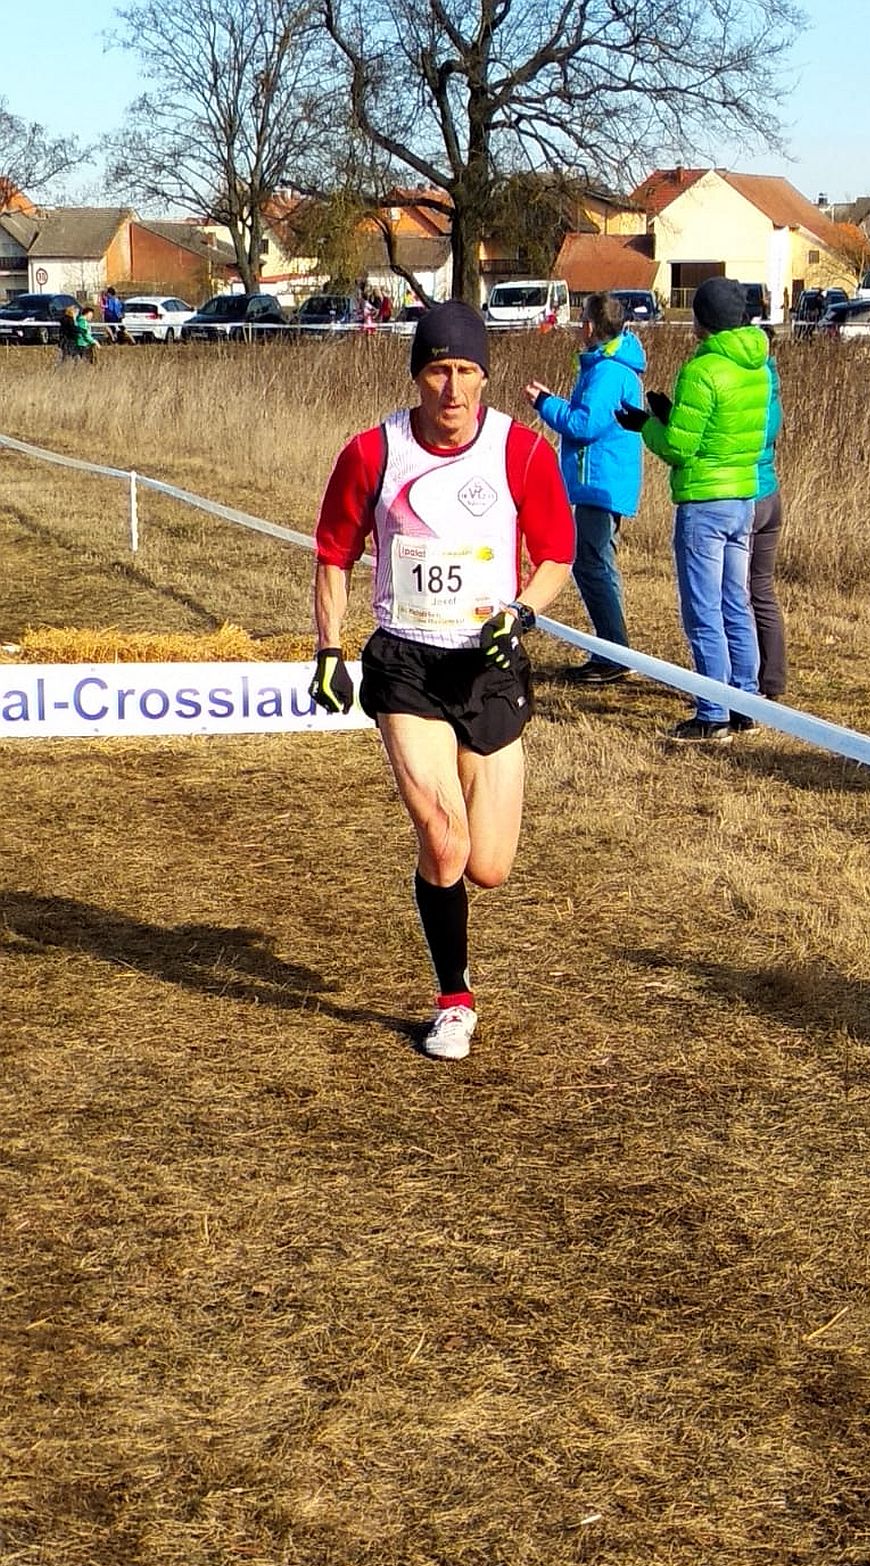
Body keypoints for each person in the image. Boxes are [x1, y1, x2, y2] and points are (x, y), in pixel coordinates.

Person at [310, 299, 574, 1059]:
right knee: (444, 840)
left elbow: (557, 554)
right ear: (416, 375)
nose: (451, 389)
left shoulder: (521, 452)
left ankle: (450, 851)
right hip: (407, 664)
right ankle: (454, 999)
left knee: (487, 866)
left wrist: (521, 613)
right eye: (436, 371)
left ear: (485, 376)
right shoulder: (373, 452)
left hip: (488, 666)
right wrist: (328, 650)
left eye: (465, 371)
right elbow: (333, 554)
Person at [615, 276, 769, 744]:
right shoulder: (757, 366)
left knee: (703, 610)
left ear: (703, 319)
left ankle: (712, 711)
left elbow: (679, 447)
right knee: (735, 602)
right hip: (742, 497)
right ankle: (746, 701)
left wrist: (646, 425)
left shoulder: (702, 370)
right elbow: (725, 430)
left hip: (703, 502)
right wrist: (670, 414)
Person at [524, 290, 645, 684]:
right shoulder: (607, 367)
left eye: (582, 320)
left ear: (591, 327)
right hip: (600, 480)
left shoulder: (609, 372)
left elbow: (583, 424)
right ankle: (611, 649)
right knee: (595, 563)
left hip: (601, 482)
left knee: (593, 564)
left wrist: (545, 403)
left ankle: (614, 651)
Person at [748, 323, 786, 701]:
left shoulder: (750, 389)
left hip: (748, 496)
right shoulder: (772, 387)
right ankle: (772, 678)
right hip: (771, 493)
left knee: (736, 593)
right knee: (761, 589)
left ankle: (743, 679)